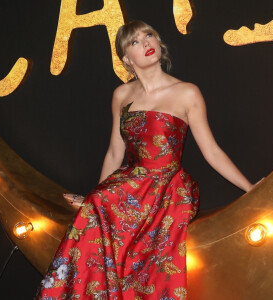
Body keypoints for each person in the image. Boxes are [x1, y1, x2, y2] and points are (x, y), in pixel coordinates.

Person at [35, 20, 256, 299]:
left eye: (148, 35)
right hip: (129, 184)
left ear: (159, 42)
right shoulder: (122, 95)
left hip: (168, 187)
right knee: (94, 220)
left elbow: (212, 151)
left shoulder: (187, 92)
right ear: (127, 59)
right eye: (135, 42)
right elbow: (115, 152)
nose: (146, 43)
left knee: (110, 221)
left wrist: (250, 188)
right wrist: (96, 199)